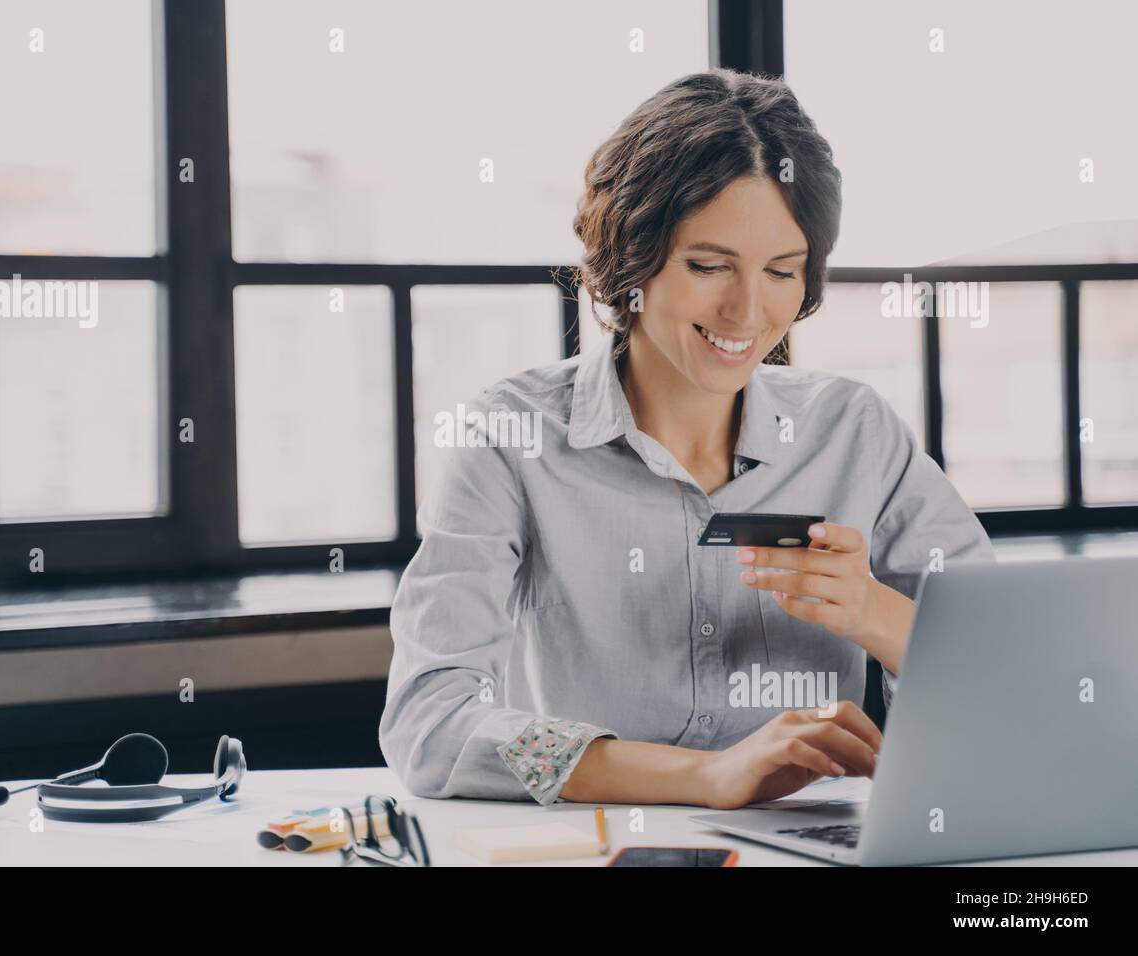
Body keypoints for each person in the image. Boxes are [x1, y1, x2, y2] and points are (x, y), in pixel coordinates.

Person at [379, 69, 995, 810]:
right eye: (708, 266)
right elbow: (431, 720)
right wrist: (706, 777)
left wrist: (872, 611)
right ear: (632, 255)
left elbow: (1010, 685)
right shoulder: (510, 438)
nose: (746, 311)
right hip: (594, 850)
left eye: (782, 272)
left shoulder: (853, 432)